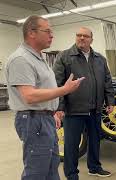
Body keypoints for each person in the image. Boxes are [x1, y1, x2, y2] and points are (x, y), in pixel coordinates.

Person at [5, 15, 84, 180]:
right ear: (31, 33)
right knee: (37, 171)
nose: (52, 35)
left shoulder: (39, 58)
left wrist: (52, 111)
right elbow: (30, 96)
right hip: (33, 120)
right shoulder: (21, 59)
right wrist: (65, 90)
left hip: (44, 118)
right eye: (47, 31)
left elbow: (44, 89)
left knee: (51, 168)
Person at [53, 27, 115, 179]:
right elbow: (57, 84)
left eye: (85, 36)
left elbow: (107, 81)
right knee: (71, 145)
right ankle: (72, 174)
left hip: (95, 109)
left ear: (91, 39)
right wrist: (59, 107)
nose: (81, 38)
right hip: (73, 110)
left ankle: (94, 167)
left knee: (95, 141)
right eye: (78, 35)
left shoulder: (100, 59)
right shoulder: (64, 57)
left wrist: (110, 101)